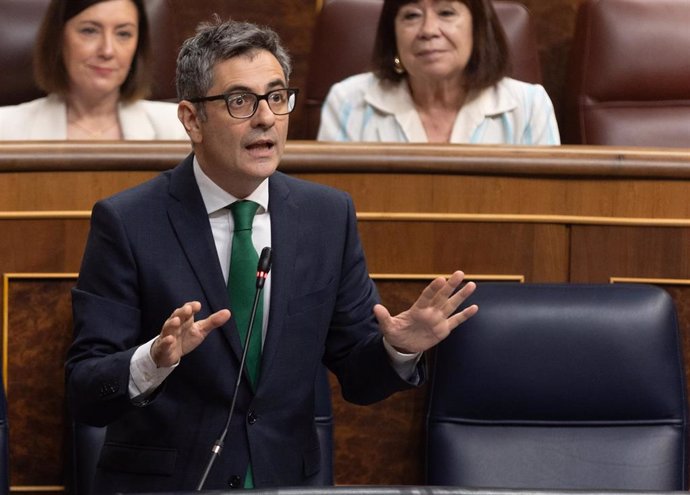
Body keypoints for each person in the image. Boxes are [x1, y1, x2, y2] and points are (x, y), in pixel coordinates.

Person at [66, 17, 479, 493]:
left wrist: (400, 346)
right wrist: (152, 361)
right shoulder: (129, 222)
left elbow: (359, 379)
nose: (265, 118)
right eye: (240, 101)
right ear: (191, 119)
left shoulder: (326, 216)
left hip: (286, 481)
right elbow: (85, 390)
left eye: (277, 97)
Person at [317, 0, 560, 145]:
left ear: (477, 27)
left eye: (446, 12)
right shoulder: (349, 101)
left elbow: (547, 212)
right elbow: (333, 213)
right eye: (412, 15)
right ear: (393, 35)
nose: (429, 30)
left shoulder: (529, 106)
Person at [0, 0, 186, 140]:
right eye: (89, 31)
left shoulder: (179, 128)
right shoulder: (5, 129)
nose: (107, 51)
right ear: (58, 38)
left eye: (123, 34)